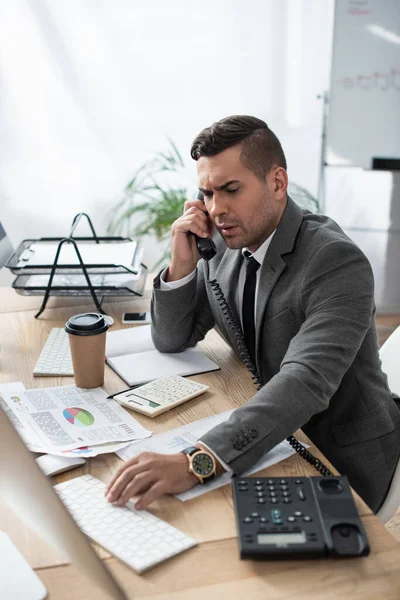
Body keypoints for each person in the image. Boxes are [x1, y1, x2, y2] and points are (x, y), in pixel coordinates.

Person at [106, 115, 400, 513]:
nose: (217, 208)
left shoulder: (334, 261)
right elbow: (171, 338)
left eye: (231, 190)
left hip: (335, 456)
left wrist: (199, 459)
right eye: (207, 193)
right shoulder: (224, 241)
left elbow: (305, 381)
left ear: (278, 183)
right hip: (268, 426)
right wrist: (181, 265)